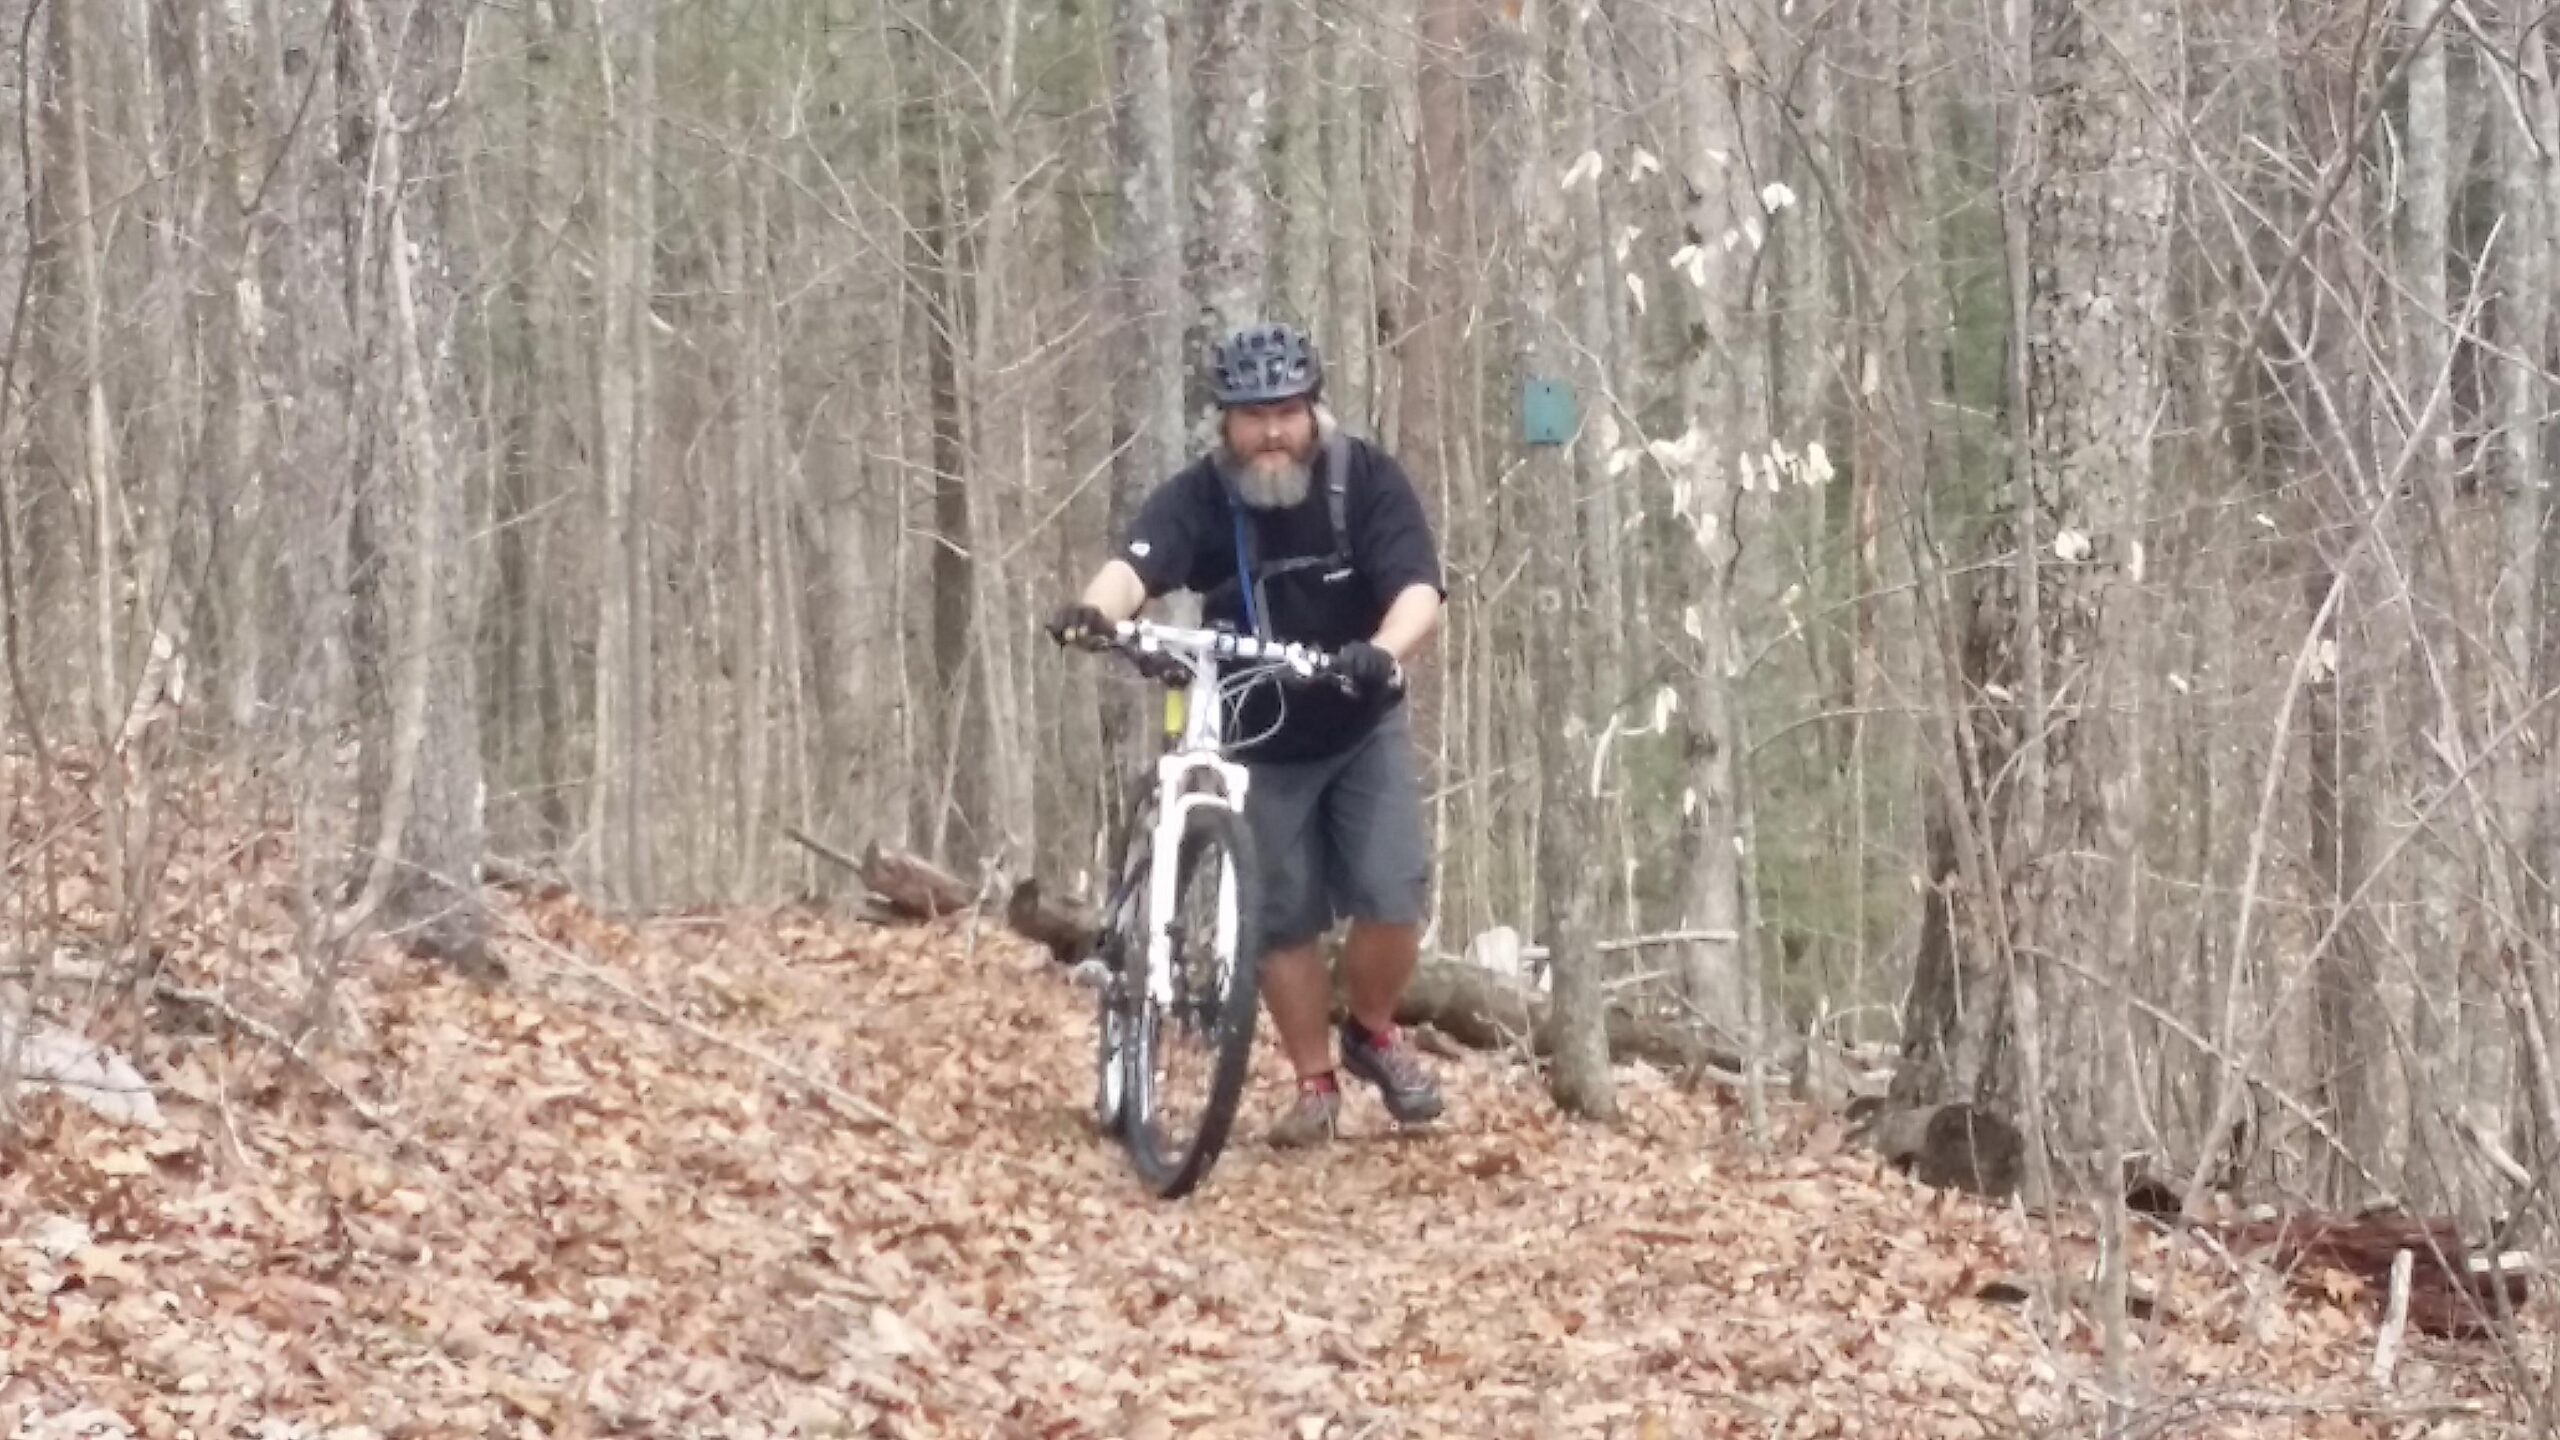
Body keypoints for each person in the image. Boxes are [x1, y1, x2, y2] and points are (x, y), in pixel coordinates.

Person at [1047, 321, 1447, 1147]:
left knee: (1393, 893)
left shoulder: (1363, 482)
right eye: (1253, 414)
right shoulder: (1202, 496)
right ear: (1224, 422)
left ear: (1314, 410)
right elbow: (1135, 566)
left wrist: (1379, 653)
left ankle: (1371, 1032)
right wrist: (1097, 611)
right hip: (1255, 735)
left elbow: (1419, 588)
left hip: (1355, 720)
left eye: (1289, 411)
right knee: (1280, 916)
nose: (1272, 431)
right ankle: (1314, 1085)